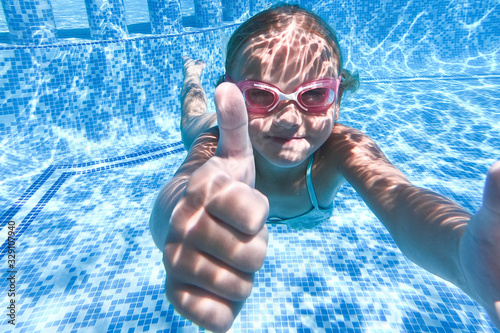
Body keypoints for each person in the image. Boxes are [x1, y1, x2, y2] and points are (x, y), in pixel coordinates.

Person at [149, 4, 500, 332]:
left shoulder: (343, 148)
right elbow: (182, 186)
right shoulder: (216, 146)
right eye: (259, 95)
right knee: (192, 118)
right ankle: (192, 77)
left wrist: (459, 256)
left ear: (339, 98)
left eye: (314, 95)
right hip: (212, 124)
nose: (288, 119)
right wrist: (181, 216)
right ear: (232, 91)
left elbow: (402, 199)